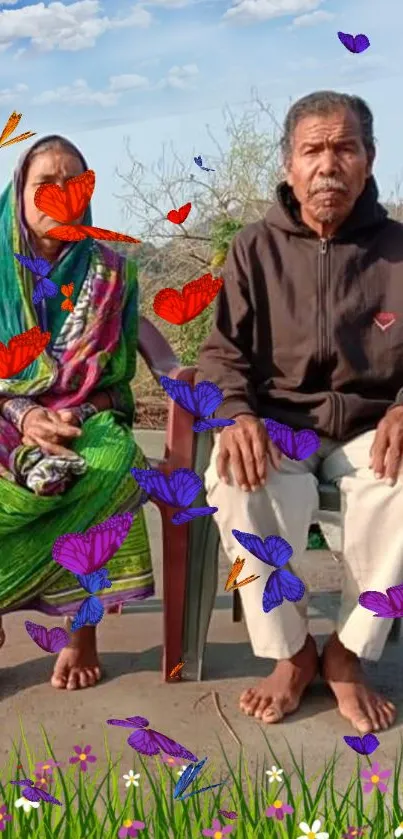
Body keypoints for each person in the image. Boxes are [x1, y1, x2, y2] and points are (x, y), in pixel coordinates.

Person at [197, 90, 403, 734]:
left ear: (369, 160)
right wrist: (234, 412)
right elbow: (220, 353)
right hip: (281, 425)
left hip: (372, 427)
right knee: (234, 484)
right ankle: (291, 653)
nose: (328, 164)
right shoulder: (254, 249)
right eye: (313, 150)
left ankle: (347, 653)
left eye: (344, 148)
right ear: (288, 164)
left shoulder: (400, 249)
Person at [0, 135, 153, 690]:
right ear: (20, 194)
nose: (60, 197)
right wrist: (22, 413)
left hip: (84, 415)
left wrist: (74, 413)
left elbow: (117, 380)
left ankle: (81, 630)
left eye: (74, 184)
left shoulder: (113, 274)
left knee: (113, 468)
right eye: (46, 185)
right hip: (5, 416)